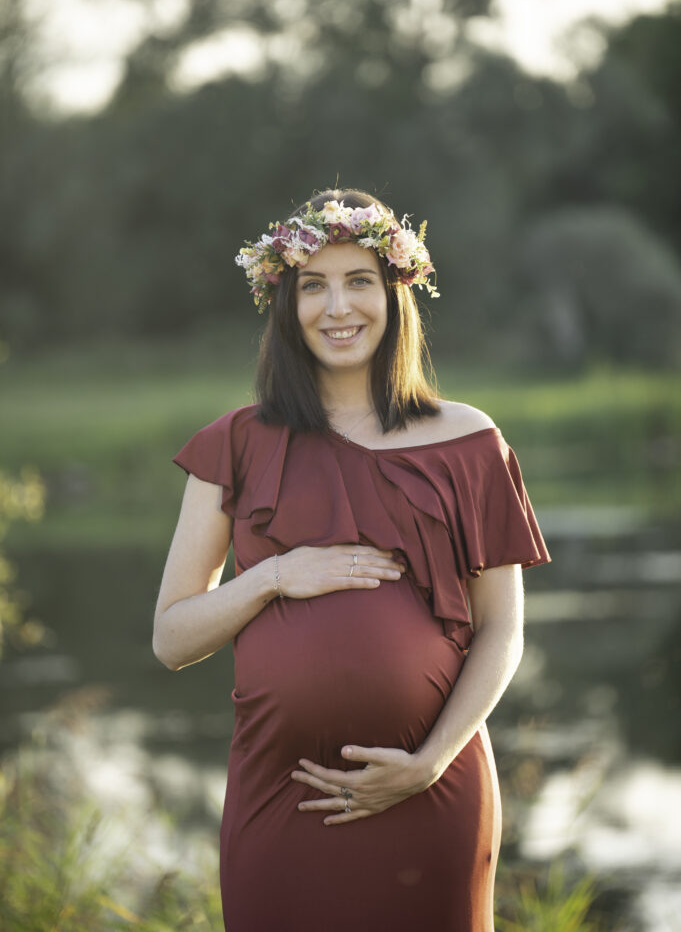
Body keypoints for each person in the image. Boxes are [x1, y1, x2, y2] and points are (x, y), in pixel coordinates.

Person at [153, 188, 551, 932]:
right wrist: (272, 577)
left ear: (395, 293)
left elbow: (502, 632)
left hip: (432, 789)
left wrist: (430, 760)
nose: (337, 307)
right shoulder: (233, 443)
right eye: (313, 285)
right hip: (282, 798)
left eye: (358, 280)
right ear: (285, 304)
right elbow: (171, 639)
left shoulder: (468, 442)